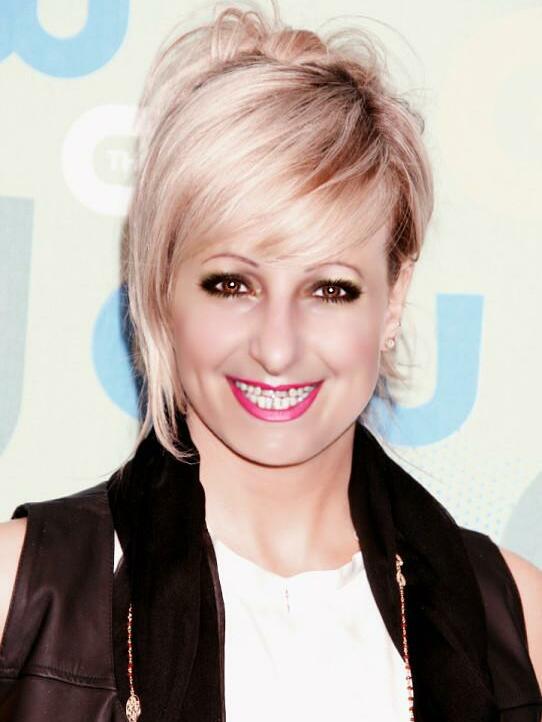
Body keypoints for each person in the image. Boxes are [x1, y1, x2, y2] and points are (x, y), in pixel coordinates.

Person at [1, 2, 541, 721]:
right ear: (161, 288)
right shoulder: (20, 595)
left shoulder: (514, 617)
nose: (278, 347)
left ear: (394, 299)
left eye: (330, 288)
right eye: (232, 284)